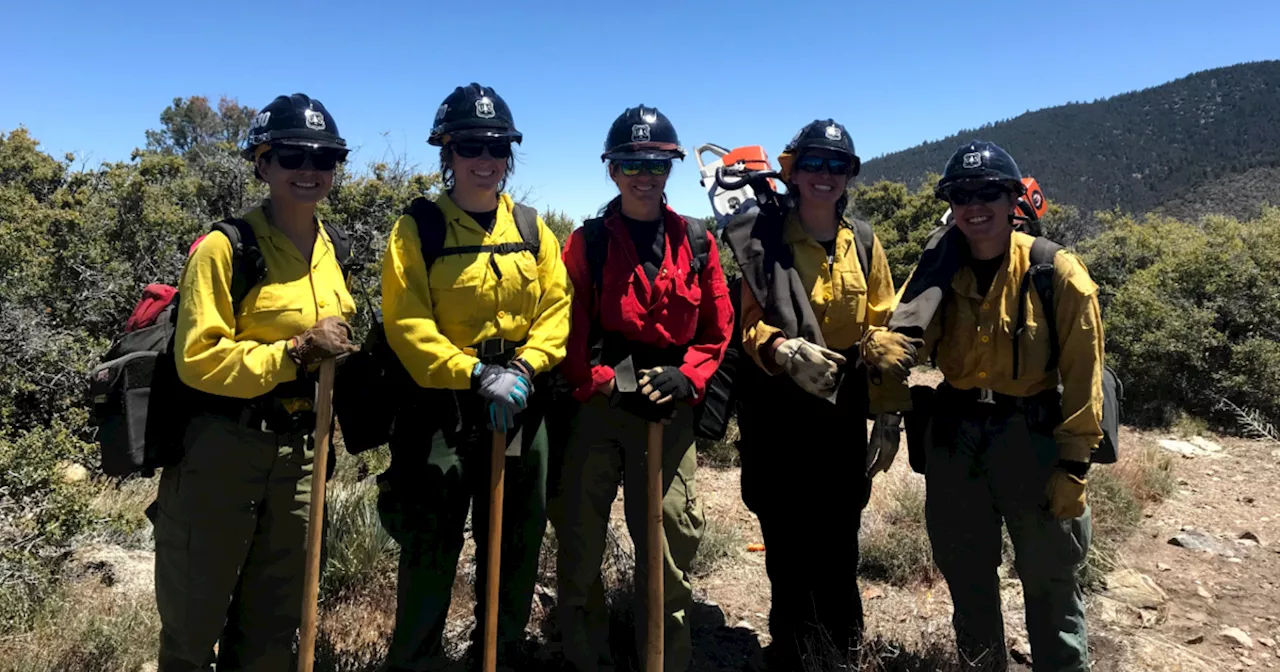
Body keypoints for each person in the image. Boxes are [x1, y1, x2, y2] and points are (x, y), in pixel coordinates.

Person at [863, 140, 1101, 672]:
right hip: (956, 432)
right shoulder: (938, 271)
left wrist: (1075, 466)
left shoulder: (1055, 272)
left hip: (1032, 433)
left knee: (1049, 576)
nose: (976, 205)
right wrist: (886, 375)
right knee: (965, 568)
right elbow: (907, 340)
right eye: (963, 194)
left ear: (1013, 198)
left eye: (989, 192)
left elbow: (1086, 376)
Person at [155, 93, 360, 671]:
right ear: (262, 163)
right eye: (292, 156)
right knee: (193, 628)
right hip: (223, 448)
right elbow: (198, 358)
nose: (309, 170)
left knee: (272, 628)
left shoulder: (332, 248)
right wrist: (294, 352)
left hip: (303, 451)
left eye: (325, 159)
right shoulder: (225, 248)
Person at [377, 82, 572, 672]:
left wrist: (524, 367)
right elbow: (407, 321)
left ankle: (501, 652)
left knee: (516, 536)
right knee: (432, 539)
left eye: (497, 146)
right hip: (442, 409)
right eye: (470, 147)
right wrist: (472, 373)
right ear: (447, 152)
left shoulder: (534, 229)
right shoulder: (418, 229)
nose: (485, 159)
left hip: (518, 403)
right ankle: (416, 660)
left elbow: (556, 310)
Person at [555, 105, 733, 672]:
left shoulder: (698, 243)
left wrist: (691, 375)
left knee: (669, 541)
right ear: (611, 169)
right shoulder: (587, 243)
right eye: (630, 162)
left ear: (670, 168)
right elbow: (570, 333)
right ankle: (587, 658)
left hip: (670, 406)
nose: (643, 174)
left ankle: (664, 658)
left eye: (655, 163)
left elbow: (717, 330)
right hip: (601, 408)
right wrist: (607, 385)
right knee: (580, 539)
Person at [722, 119, 900, 669]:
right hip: (777, 408)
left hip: (842, 410)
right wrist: (782, 350)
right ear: (792, 172)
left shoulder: (865, 243)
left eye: (837, 165)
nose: (825, 175)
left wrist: (889, 410)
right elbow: (747, 322)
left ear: (849, 177)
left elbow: (885, 329)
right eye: (814, 164)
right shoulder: (762, 242)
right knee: (785, 533)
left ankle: (844, 647)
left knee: (840, 532)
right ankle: (793, 648)